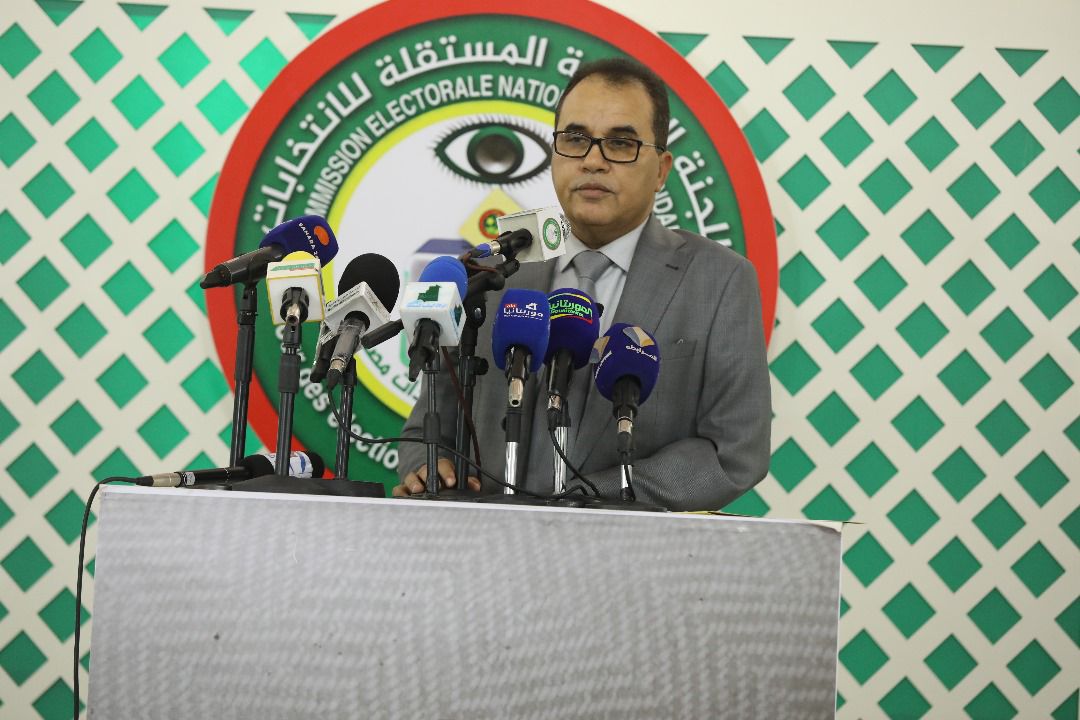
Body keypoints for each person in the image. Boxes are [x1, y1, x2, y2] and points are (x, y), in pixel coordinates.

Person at [393, 58, 771, 511]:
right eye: (575, 139)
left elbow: (733, 452)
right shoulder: (490, 272)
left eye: (621, 143)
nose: (593, 161)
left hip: (625, 547)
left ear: (661, 169)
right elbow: (426, 427)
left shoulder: (718, 280)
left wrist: (591, 496)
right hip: (484, 543)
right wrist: (428, 466)